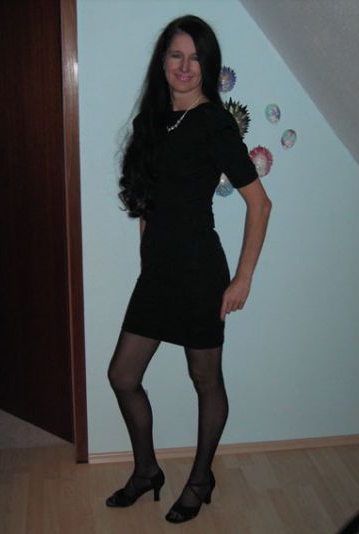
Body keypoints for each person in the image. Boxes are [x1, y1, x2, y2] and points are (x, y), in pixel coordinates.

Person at [106, 14, 272, 523]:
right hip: (157, 275)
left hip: (200, 273)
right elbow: (146, 201)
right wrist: (147, 259)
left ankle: (200, 479)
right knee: (122, 376)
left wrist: (242, 278)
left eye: (195, 57)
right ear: (163, 62)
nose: (185, 66)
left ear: (208, 66)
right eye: (176, 55)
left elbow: (260, 204)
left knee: (205, 380)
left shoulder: (214, 124)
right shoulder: (152, 122)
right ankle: (146, 471)